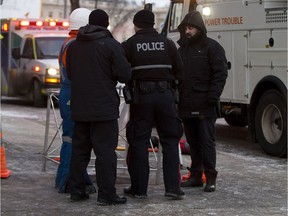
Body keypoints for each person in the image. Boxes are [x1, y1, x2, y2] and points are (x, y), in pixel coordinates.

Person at [66, 9, 131, 205]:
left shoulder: (74, 46)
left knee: (79, 151)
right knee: (105, 153)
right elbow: (124, 75)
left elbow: (70, 74)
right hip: (103, 109)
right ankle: (106, 194)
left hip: (80, 107)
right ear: (106, 24)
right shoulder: (111, 45)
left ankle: (76, 190)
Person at [122, 9, 185, 200]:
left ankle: (139, 189)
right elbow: (180, 71)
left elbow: (121, 70)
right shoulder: (167, 43)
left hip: (142, 97)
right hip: (166, 96)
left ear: (136, 24)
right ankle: (173, 188)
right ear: (153, 24)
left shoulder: (130, 44)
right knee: (170, 140)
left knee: (139, 141)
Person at [177, 11, 228, 192]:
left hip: (205, 104)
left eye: (190, 28)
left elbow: (220, 74)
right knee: (192, 141)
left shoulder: (212, 47)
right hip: (186, 103)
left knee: (207, 141)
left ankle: (210, 176)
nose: (187, 32)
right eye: (185, 28)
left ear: (199, 29)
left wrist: (212, 96)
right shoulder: (182, 49)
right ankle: (196, 175)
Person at [55, 7, 96, 194]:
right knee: (74, 139)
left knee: (71, 138)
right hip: (73, 94)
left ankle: (72, 179)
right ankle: (67, 181)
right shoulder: (75, 45)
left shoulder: (68, 42)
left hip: (67, 93)